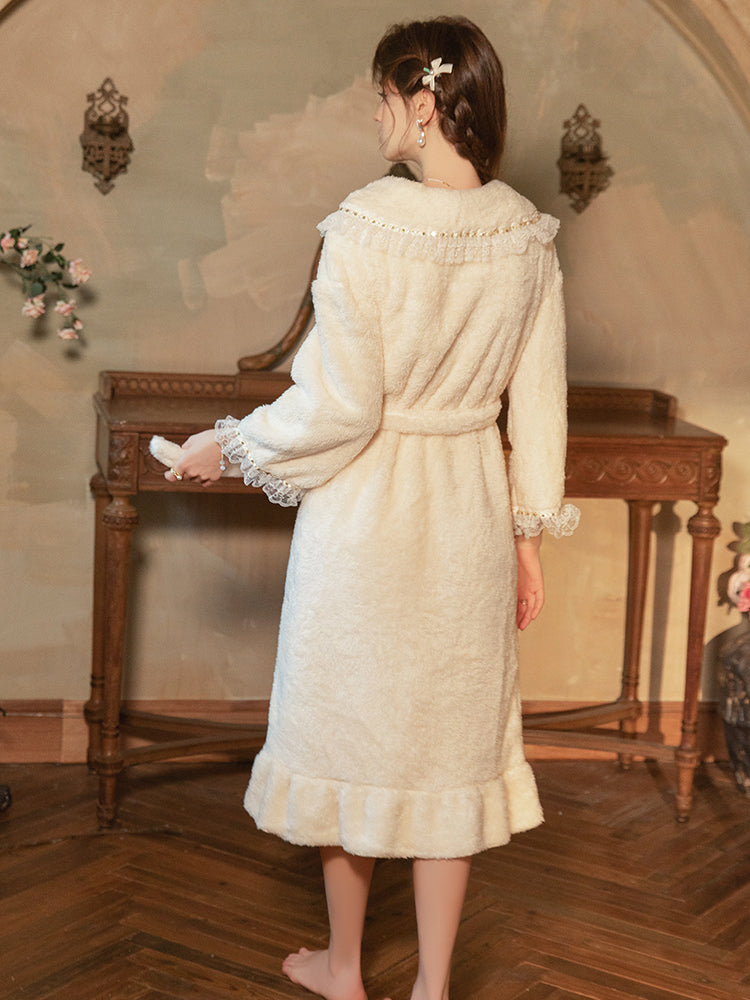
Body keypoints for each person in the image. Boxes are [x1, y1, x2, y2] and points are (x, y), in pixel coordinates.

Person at [167, 15, 579, 1000]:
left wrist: (227, 444)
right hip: (468, 515)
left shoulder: (364, 225)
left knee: (348, 739)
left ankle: (344, 969)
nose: (377, 116)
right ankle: (434, 987)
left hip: (367, 519)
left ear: (425, 106)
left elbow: (338, 406)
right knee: (448, 758)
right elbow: (542, 409)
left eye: (384, 100)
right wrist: (527, 541)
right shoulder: (527, 238)